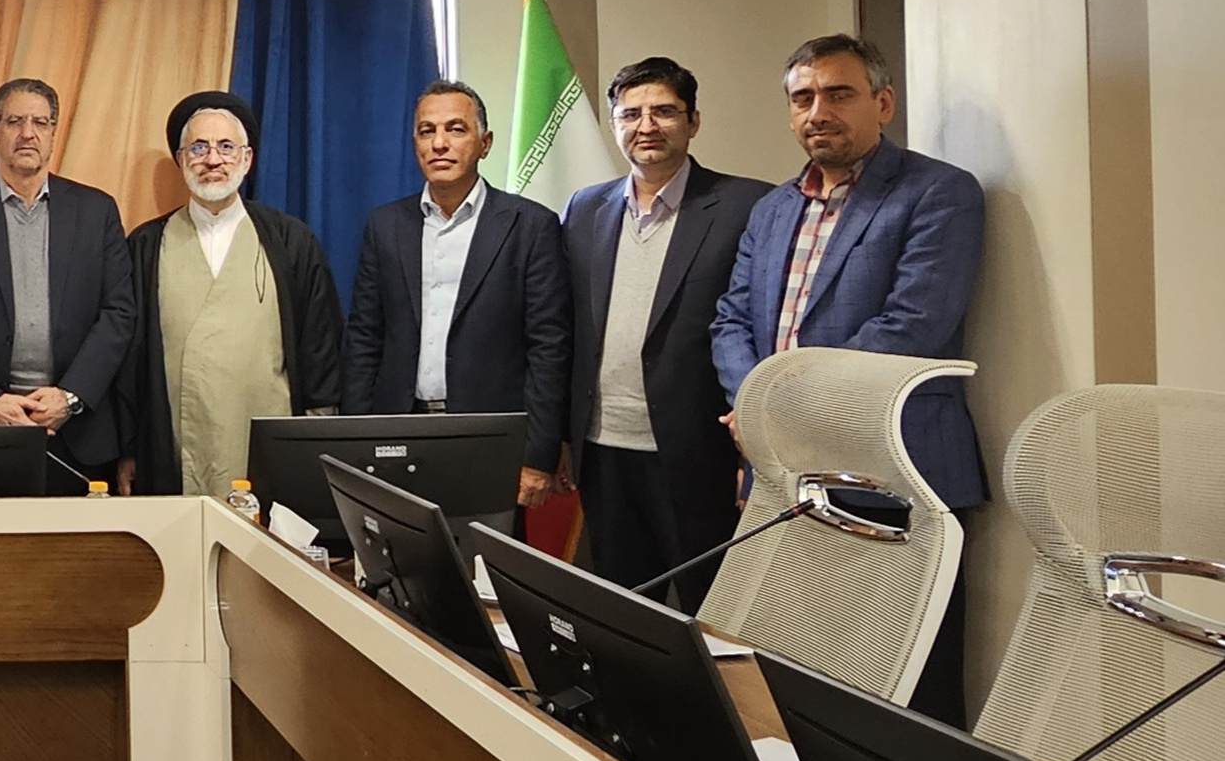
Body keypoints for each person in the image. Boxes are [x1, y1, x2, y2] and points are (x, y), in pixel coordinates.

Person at [712, 33, 986, 723]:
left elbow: (912, 326)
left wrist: (777, 412)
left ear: (883, 103)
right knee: (805, 676)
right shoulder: (773, 208)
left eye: (838, 94)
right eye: (802, 98)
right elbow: (731, 319)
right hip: (789, 476)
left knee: (909, 693)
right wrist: (752, 404)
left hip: (897, 472)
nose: (818, 112)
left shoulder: (939, 193)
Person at [561, 59, 770, 608]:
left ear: (693, 121)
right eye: (630, 114)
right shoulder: (584, 208)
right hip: (603, 450)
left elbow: (759, 325)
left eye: (664, 112)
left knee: (714, 611)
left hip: (699, 454)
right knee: (625, 607)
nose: (646, 126)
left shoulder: (749, 205)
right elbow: (568, 329)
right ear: (614, 125)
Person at [341, 80, 570, 510]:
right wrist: (354, 436)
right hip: (397, 431)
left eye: (456, 129)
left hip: (489, 437)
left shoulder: (530, 226)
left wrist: (537, 455)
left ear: (485, 143)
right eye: (426, 131)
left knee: (484, 551)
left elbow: (549, 348)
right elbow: (364, 337)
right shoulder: (385, 225)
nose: (439, 143)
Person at [115, 91, 343, 498]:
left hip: (269, 443)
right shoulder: (146, 245)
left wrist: (316, 436)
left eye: (225, 147)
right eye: (198, 148)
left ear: (247, 159)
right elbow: (129, 359)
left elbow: (320, 346)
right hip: (176, 447)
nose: (213, 160)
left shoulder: (290, 241)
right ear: (181, 159)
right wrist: (129, 449)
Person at [0, 78, 135, 481]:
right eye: (14, 121)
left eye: (40, 122)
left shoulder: (97, 211)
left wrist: (70, 396)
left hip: (76, 431)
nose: (27, 133)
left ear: (54, 134)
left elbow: (118, 313)